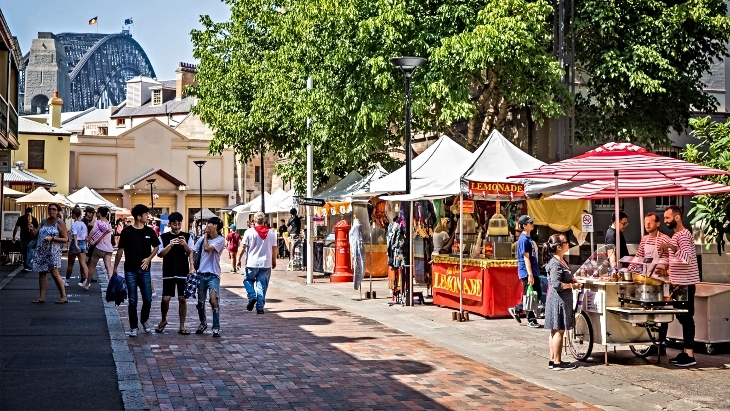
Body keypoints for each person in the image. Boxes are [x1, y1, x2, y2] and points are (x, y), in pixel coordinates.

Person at [659, 205, 700, 367]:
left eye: (667, 218)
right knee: (682, 318)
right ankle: (685, 352)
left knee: (686, 318)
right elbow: (676, 261)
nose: (665, 221)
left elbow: (687, 258)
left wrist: (672, 247)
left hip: (686, 285)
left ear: (677, 217)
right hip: (678, 284)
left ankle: (689, 355)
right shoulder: (676, 236)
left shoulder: (683, 235)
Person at [114, 204, 160, 337]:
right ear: (139, 217)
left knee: (148, 299)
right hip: (130, 270)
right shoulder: (127, 232)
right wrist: (115, 267)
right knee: (132, 300)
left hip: (145, 270)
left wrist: (149, 259)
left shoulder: (149, 231)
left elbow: (156, 247)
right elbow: (120, 250)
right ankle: (133, 327)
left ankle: (144, 320)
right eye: (146, 214)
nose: (148, 216)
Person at [543, 233, 580, 370]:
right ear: (559, 247)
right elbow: (556, 284)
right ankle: (557, 362)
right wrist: (572, 286)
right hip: (558, 300)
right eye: (565, 242)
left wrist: (571, 279)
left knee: (555, 330)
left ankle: (553, 360)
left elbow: (563, 278)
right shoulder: (555, 263)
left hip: (561, 299)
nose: (568, 244)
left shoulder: (561, 260)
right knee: (558, 330)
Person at [156, 212, 195, 335]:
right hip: (168, 270)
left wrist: (184, 245)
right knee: (165, 299)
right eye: (174, 224)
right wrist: (170, 245)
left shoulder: (187, 237)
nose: (177, 227)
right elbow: (160, 254)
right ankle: (163, 320)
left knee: (182, 299)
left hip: (183, 270)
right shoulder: (163, 237)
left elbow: (191, 253)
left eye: (179, 224)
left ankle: (182, 326)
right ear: (170, 224)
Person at [239, 211, 277, 314]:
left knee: (247, 280)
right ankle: (260, 307)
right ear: (264, 220)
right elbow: (274, 248)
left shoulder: (249, 232)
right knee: (262, 285)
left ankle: (252, 296)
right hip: (266, 263)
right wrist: (274, 260)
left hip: (252, 262)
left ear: (254, 220)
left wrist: (238, 259)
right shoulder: (271, 233)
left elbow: (243, 247)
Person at [30, 203, 68, 304]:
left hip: (53, 252)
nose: (51, 211)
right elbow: (35, 234)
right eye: (50, 209)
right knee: (42, 273)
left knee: (55, 273)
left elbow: (65, 239)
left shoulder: (60, 222)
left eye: (54, 209)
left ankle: (63, 296)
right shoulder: (44, 221)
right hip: (41, 251)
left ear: (57, 211)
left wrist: (53, 239)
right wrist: (32, 229)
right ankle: (42, 297)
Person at [508, 215, 542, 328]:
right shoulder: (523, 240)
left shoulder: (529, 238)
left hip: (533, 270)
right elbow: (526, 257)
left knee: (536, 294)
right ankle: (531, 319)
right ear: (524, 225)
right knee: (530, 295)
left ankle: (516, 309)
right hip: (527, 271)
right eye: (530, 222)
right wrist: (530, 274)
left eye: (532, 222)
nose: (532, 224)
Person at [194, 216, 226, 337]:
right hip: (201, 274)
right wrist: (192, 265)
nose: (206, 226)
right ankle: (203, 323)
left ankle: (216, 327)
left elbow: (207, 249)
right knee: (200, 302)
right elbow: (193, 250)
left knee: (213, 300)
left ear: (215, 226)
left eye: (208, 224)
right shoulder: (202, 239)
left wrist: (206, 238)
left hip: (213, 275)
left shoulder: (220, 240)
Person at [82, 207, 114, 289]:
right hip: (109, 248)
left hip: (99, 248)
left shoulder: (98, 222)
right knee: (108, 267)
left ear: (99, 213)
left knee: (92, 266)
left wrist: (88, 238)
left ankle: (87, 283)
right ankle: (111, 283)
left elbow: (93, 230)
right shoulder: (109, 224)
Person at [65, 207, 89, 287]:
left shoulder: (74, 224)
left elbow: (74, 235)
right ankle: (86, 280)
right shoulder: (84, 224)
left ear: (74, 215)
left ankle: (67, 280)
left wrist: (75, 245)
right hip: (82, 244)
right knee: (83, 264)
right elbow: (86, 236)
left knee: (70, 264)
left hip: (75, 244)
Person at [13, 206, 39, 272]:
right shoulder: (34, 219)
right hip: (31, 237)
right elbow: (37, 228)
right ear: (31, 212)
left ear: (25, 211)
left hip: (23, 237)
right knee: (31, 251)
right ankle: (28, 265)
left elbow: (16, 228)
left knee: (24, 251)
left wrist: (13, 236)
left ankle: (26, 265)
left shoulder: (21, 218)